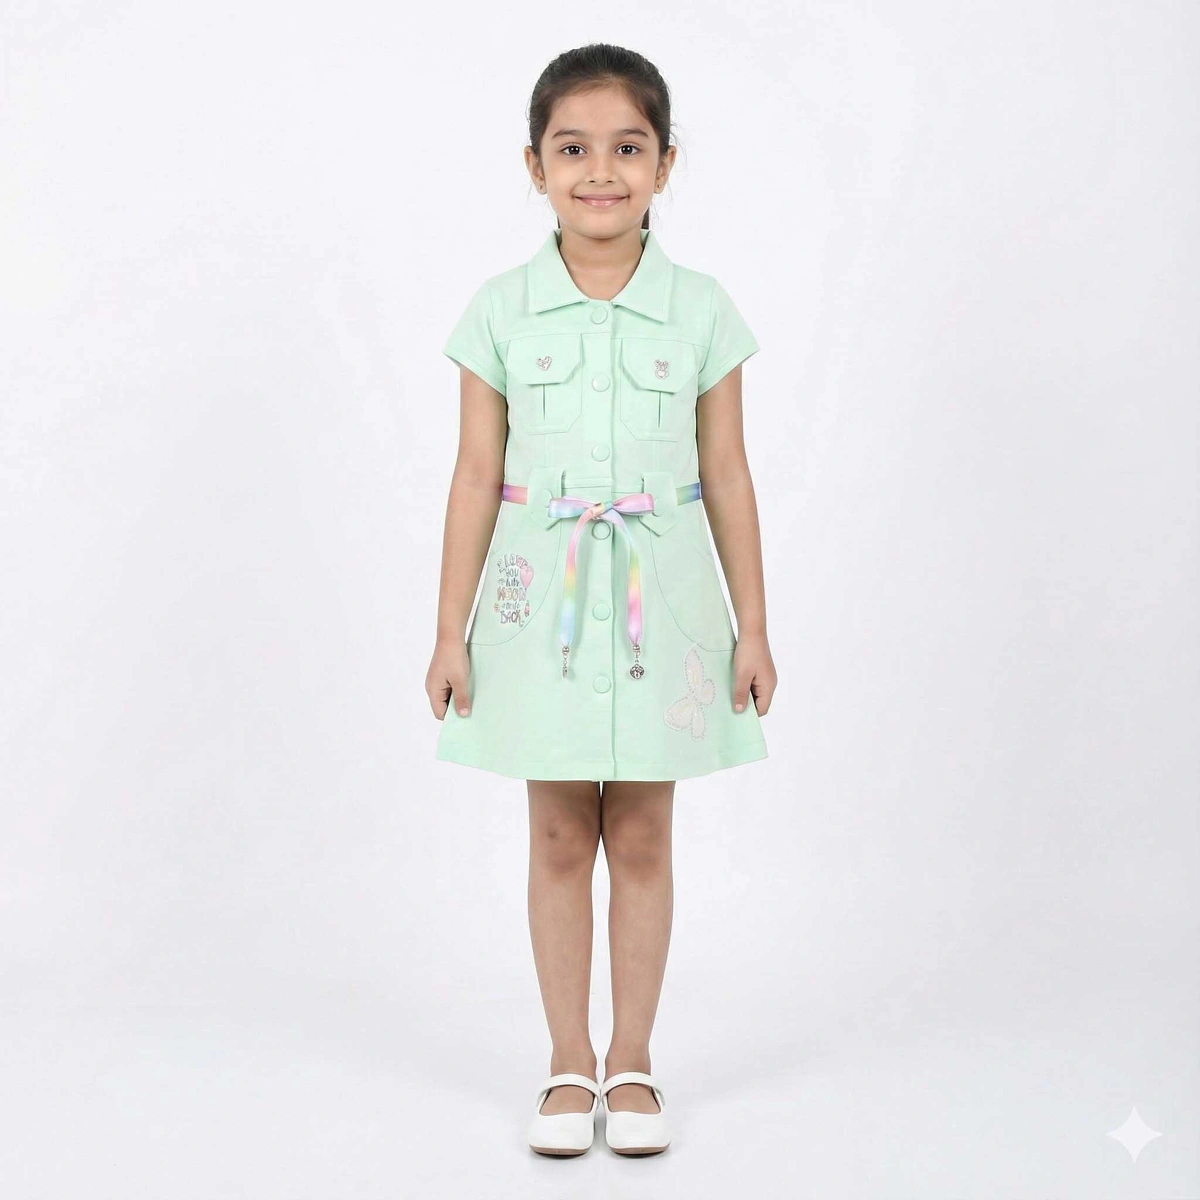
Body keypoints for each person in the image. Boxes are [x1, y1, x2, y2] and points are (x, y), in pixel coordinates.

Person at [425, 43, 778, 1157]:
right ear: (535, 166)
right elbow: (475, 476)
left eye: (628, 148)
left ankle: (632, 1060)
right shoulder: (498, 312)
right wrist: (449, 632)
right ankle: (566, 1060)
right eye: (573, 149)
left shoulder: (703, 312)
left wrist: (754, 626)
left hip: (662, 608)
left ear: (665, 164)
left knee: (641, 831)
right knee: (556, 831)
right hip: (542, 612)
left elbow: (728, 475)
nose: (600, 172)